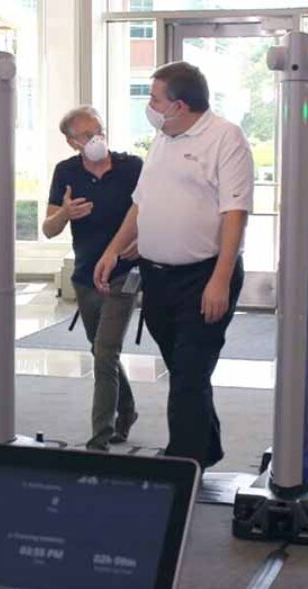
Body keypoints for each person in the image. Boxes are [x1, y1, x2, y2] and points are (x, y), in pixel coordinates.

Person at [94, 61, 253, 470]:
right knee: (186, 373)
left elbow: (235, 213)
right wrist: (114, 249)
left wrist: (219, 279)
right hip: (156, 277)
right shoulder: (162, 138)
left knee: (187, 379)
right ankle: (207, 448)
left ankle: (181, 468)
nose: (149, 106)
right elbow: (140, 201)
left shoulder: (225, 138)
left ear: (179, 105)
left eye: (154, 99)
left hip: (203, 277)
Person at [43, 105, 143, 451]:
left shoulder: (132, 167)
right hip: (86, 276)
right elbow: (49, 228)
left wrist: (140, 241)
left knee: (105, 349)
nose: (96, 138)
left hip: (124, 273)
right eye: (86, 135)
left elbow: (153, 210)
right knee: (102, 350)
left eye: (99, 130)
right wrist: (66, 213)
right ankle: (127, 409)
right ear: (73, 143)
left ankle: (101, 436)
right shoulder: (65, 172)